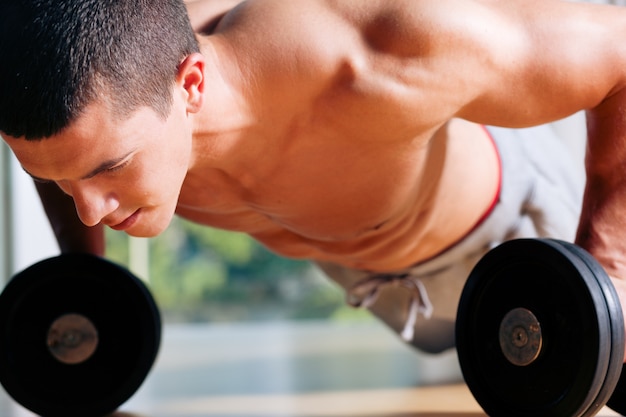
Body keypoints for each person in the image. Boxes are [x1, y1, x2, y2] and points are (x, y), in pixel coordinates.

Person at [1, 0, 626, 354]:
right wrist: (85, 275)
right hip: (374, 283)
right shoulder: (105, 107)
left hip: (519, 242)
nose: (89, 209)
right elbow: (67, 157)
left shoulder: (383, 55)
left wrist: (608, 266)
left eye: (110, 167)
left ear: (190, 84)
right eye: (57, 179)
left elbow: (620, 56)